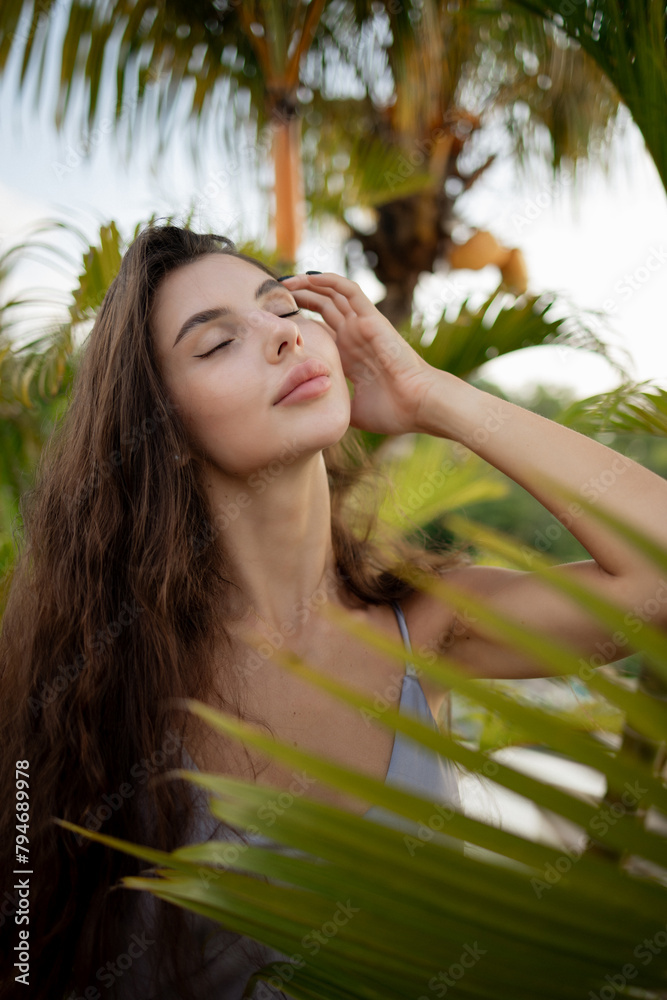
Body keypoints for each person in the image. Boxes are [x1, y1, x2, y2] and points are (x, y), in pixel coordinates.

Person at [2, 223, 667, 1000]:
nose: (283, 336)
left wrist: (431, 396)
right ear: (163, 429)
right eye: (217, 343)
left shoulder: (429, 627)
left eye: (284, 308)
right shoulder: (89, 678)